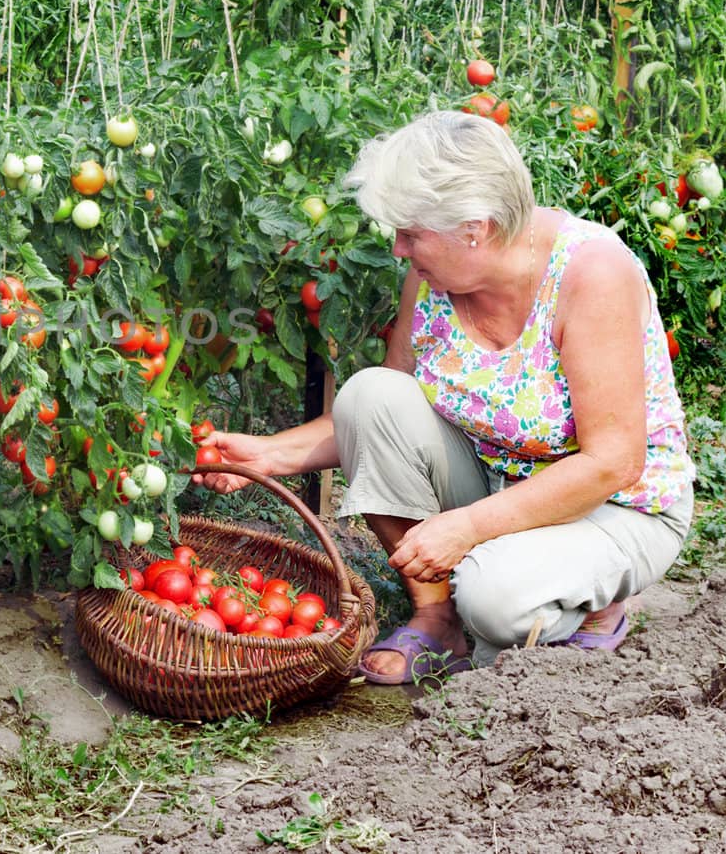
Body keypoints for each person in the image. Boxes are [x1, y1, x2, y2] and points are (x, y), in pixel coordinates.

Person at [195, 110, 695, 684]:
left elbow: (614, 461)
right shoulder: (436, 277)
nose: (399, 249)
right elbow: (379, 418)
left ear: (474, 229)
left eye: (411, 233)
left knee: (494, 599)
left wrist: (466, 529)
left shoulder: (590, 275)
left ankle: (593, 605)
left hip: (614, 506)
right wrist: (266, 456)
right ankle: (438, 620)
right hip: (496, 479)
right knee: (371, 394)